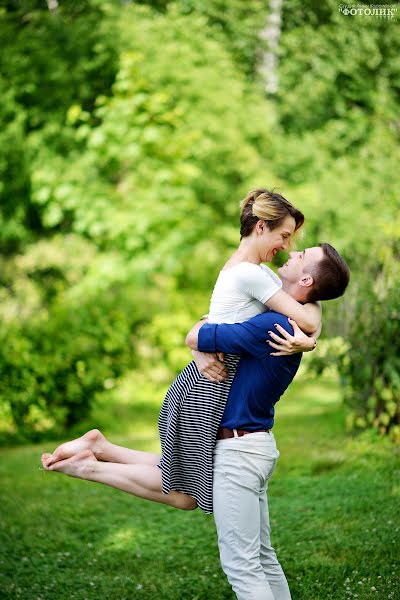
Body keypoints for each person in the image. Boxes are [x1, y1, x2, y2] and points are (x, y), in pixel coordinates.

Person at [42, 189, 319, 513]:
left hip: (206, 385)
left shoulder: (252, 272)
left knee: (182, 477)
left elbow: (307, 303)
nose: (286, 246)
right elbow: (306, 316)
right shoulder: (252, 275)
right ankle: (89, 466)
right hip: (206, 390)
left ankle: (99, 447)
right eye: (283, 236)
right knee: (185, 493)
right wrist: (310, 338)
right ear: (260, 227)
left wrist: (310, 331)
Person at [185, 243, 350, 600]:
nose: (290, 254)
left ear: (305, 278)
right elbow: (311, 312)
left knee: (243, 567)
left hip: (239, 453)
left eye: (301, 255)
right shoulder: (288, 320)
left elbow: (199, 333)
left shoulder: (272, 324)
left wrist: (197, 342)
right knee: (261, 557)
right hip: (254, 446)